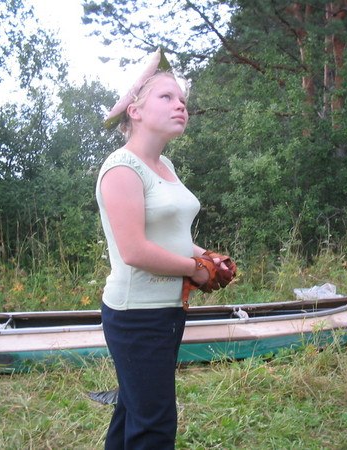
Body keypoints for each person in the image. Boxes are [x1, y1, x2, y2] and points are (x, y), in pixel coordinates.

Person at [95, 48, 236, 450]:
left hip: (165, 309)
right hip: (137, 315)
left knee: (134, 410)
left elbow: (170, 235)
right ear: (135, 111)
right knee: (154, 424)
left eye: (182, 100)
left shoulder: (165, 166)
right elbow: (135, 251)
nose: (180, 106)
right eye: (167, 97)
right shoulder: (123, 168)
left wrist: (206, 255)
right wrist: (194, 269)